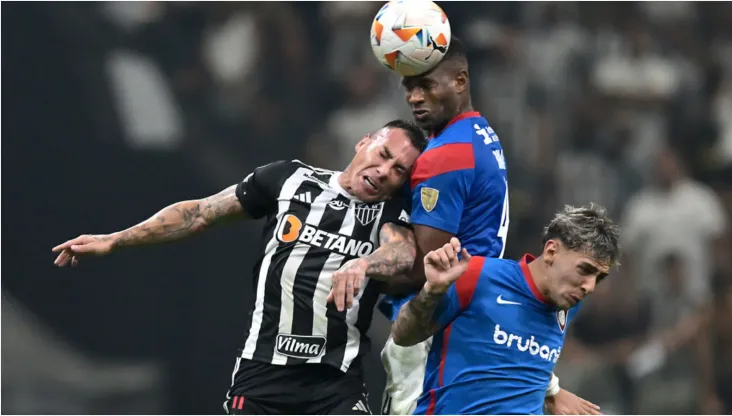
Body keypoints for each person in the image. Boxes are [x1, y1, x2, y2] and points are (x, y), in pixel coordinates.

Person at [52, 120, 426, 415]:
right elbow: (199, 213)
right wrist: (117, 238)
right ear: (364, 142)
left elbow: (403, 252)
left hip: (335, 383)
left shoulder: (390, 213)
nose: (384, 170)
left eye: (397, 170)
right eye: (383, 154)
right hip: (261, 375)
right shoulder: (288, 179)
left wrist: (364, 263)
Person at [360, 35, 592, 415]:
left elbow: (425, 269)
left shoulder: (446, 155)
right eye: (409, 87)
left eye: (426, 85)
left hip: (434, 332)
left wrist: (362, 265)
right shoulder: (481, 134)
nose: (414, 97)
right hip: (470, 324)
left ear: (460, 81)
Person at [391, 204, 620, 415]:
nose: (590, 286)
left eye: (599, 278)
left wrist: (551, 391)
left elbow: (517, 359)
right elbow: (403, 336)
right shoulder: (477, 275)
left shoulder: (569, 304)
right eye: (585, 269)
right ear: (551, 252)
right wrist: (431, 292)